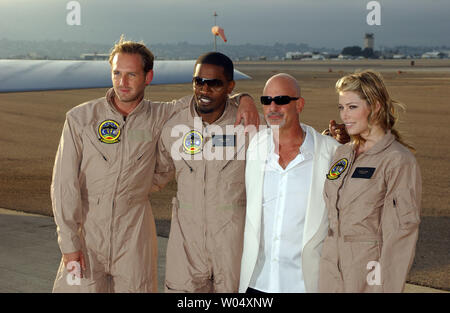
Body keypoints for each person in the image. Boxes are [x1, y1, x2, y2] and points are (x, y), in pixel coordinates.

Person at [51, 38, 258, 292]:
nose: (122, 82)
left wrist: (244, 99)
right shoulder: (80, 119)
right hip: (87, 237)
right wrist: (70, 245)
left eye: (131, 75)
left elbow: (207, 99)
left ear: (148, 77)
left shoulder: (162, 115)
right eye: (117, 73)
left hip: (135, 239)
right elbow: (64, 187)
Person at [152, 52, 262, 293]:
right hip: (186, 254)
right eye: (199, 81)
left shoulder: (250, 126)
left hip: (232, 253)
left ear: (230, 86)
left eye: (214, 83)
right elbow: (154, 177)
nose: (204, 89)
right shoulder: (173, 127)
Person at [318, 70, 421, 293]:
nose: (344, 115)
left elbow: (401, 234)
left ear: (375, 106)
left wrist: (383, 288)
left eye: (352, 107)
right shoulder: (342, 154)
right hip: (330, 274)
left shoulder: (397, 160)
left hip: (366, 277)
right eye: (341, 107)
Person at [238, 73, 341, 293]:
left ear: (300, 104)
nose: (273, 107)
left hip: (305, 284)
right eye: (266, 101)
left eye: (282, 100)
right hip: (257, 282)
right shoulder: (255, 145)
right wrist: (242, 97)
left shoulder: (330, 152)